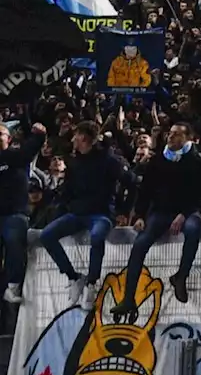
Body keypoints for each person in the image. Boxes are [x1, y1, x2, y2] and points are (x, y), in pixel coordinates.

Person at [39, 121, 135, 310]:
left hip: (101, 214)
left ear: (83, 137)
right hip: (76, 213)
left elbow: (131, 183)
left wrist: (124, 211)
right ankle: (74, 277)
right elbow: (69, 189)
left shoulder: (109, 160)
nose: (73, 139)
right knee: (46, 235)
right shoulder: (74, 161)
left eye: (76, 135)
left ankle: (92, 283)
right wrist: (61, 205)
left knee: (97, 235)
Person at [116, 122, 201, 314]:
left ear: (187, 139)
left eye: (177, 135)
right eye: (170, 133)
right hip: (161, 212)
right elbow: (146, 190)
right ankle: (128, 299)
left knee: (193, 229)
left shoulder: (196, 161)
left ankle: (181, 276)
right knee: (140, 243)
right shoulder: (158, 160)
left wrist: (184, 214)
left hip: (187, 211)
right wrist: (140, 215)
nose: (171, 137)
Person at [0, 121, 45, 303]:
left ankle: (13, 285)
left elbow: (29, 151)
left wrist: (39, 135)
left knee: (14, 241)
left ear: (9, 139)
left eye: (0, 133)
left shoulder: (15, 156)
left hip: (14, 213)